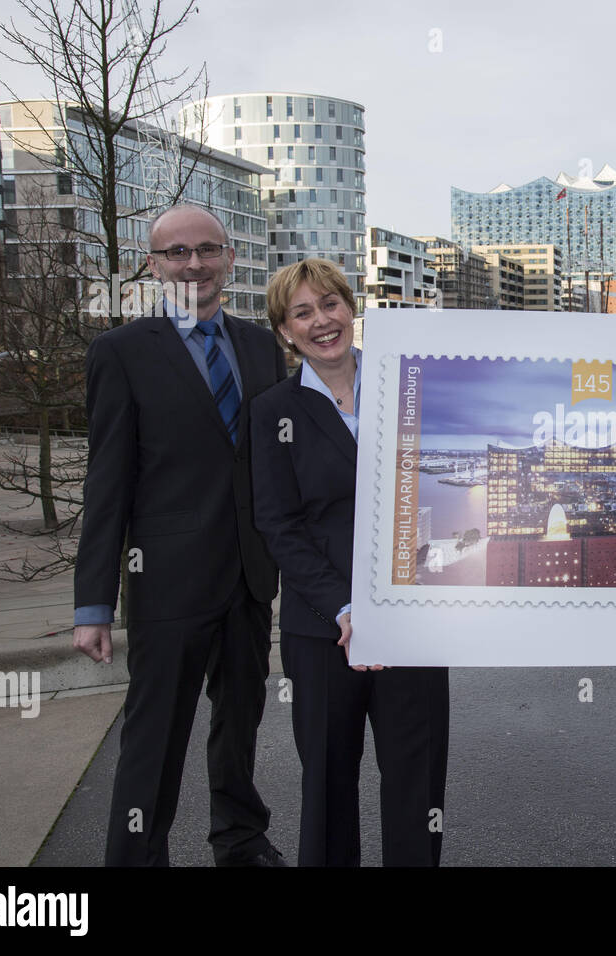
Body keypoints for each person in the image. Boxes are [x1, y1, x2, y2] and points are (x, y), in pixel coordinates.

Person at [72, 204, 288, 866]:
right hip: (164, 582)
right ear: (152, 263)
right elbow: (106, 483)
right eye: (176, 253)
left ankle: (240, 840)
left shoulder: (260, 346)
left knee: (239, 726)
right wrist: (92, 606)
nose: (193, 263)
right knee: (155, 736)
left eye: (206, 249)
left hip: (249, 579)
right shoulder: (120, 353)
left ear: (228, 256)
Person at [250, 257, 448, 866]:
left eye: (329, 304)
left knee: (417, 787)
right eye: (302, 312)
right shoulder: (273, 413)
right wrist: (342, 604)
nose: (321, 321)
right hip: (323, 631)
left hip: (413, 621)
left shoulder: (410, 386)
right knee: (329, 788)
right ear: (285, 331)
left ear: (350, 308)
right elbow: (279, 525)